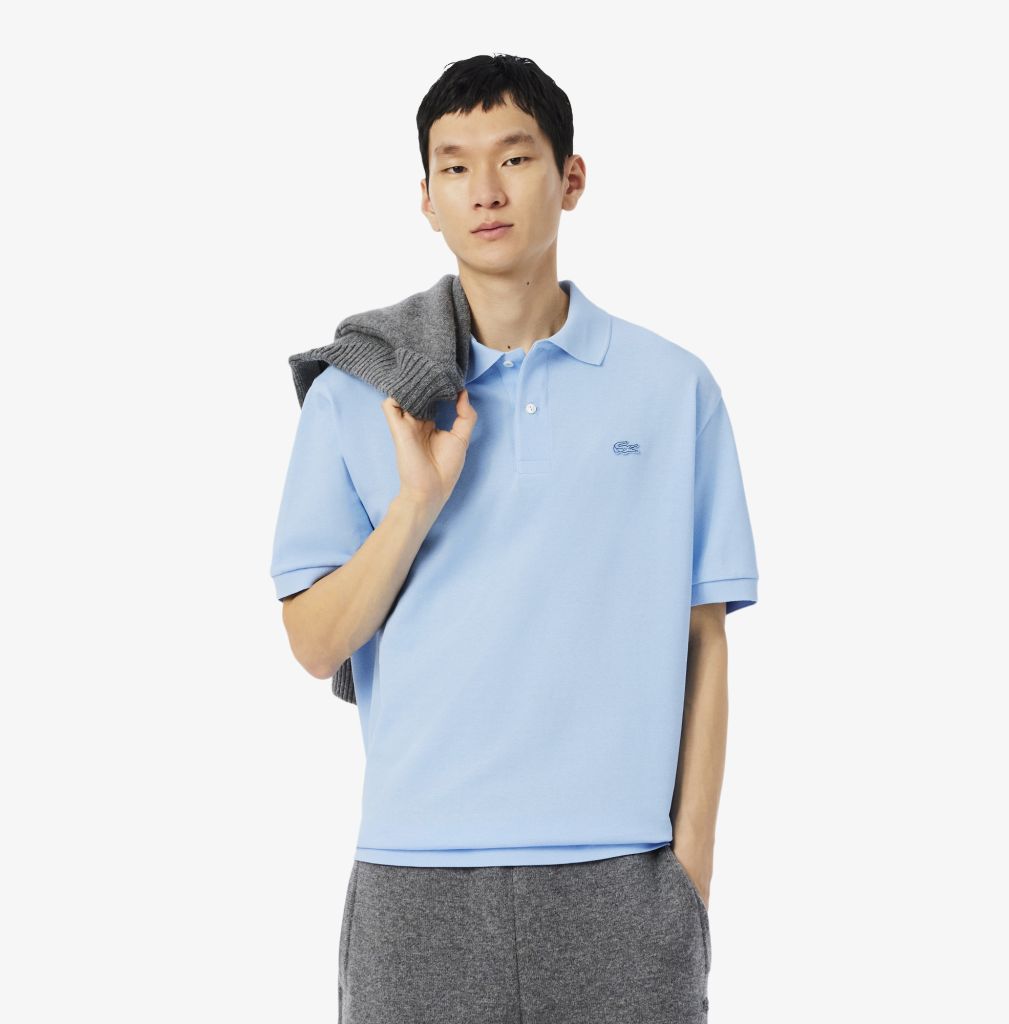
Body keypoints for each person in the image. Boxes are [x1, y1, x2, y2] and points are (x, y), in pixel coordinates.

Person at [270, 53, 758, 1024]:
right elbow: (316, 643)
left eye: (515, 158)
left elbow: (703, 637)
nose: (484, 191)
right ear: (426, 198)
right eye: (453, 167)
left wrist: (688, 874)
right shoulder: (357, 395)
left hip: (623, 878)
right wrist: (415, 503)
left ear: (570, 178)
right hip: (416, 878)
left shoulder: (673, 388)